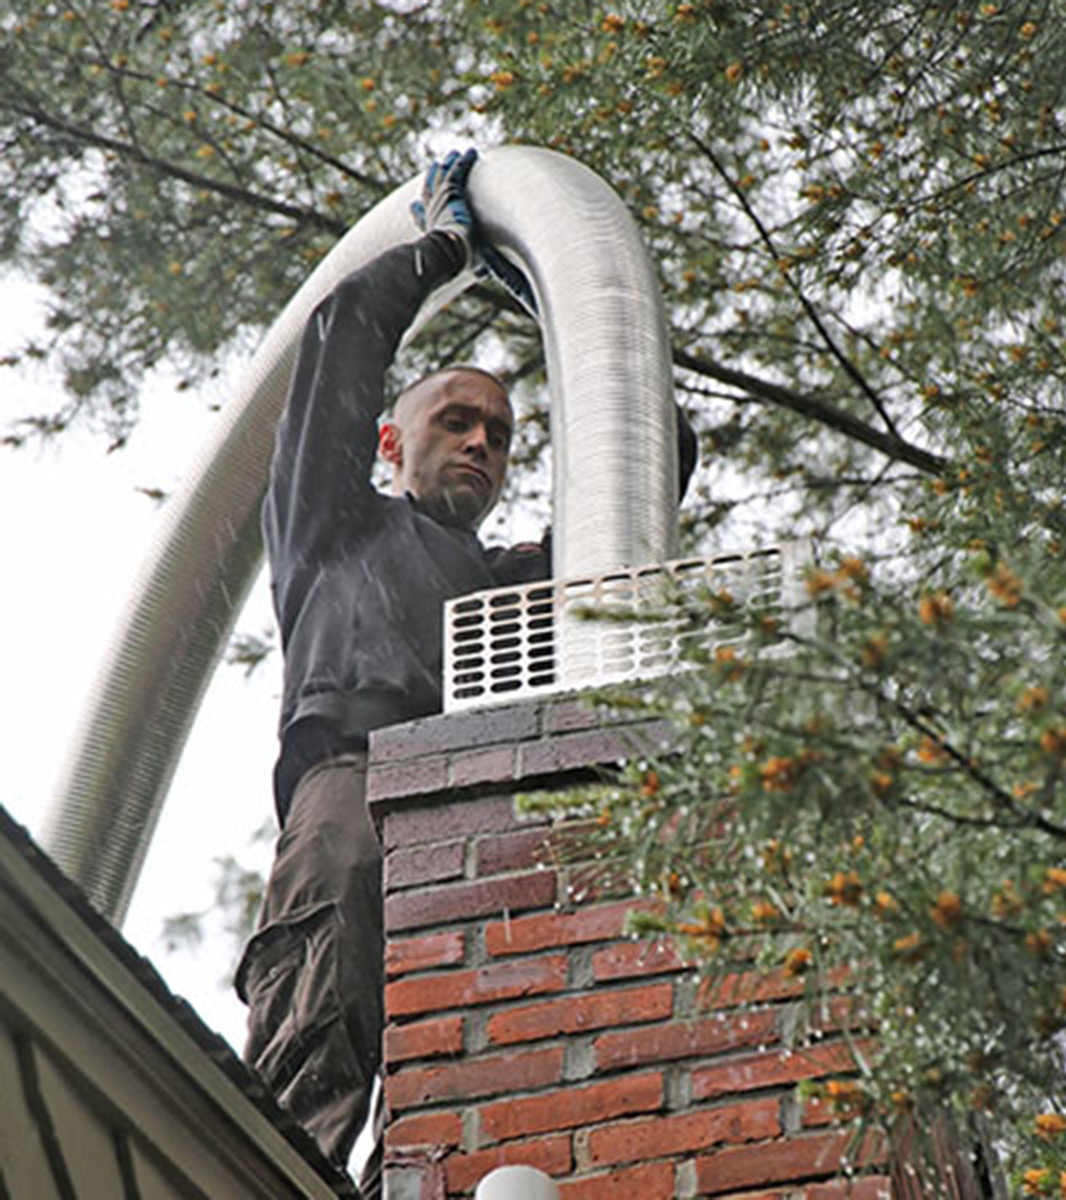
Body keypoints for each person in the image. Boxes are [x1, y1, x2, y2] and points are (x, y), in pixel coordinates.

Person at [234, 149, 695, 1193]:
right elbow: (344, 338)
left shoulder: (508, 587)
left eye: (499, 432)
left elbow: (644, 480)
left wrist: (578, 304)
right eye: (457, 420)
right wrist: (441, 253)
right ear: (393, 440)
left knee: (451, 1059)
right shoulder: (333, 525)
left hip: (469, 816)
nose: (482, 442)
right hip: (352, 782)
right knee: (325, 1006)